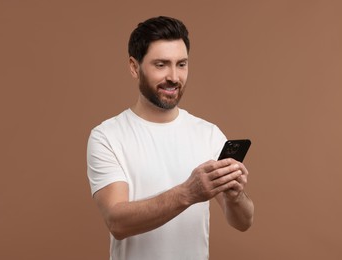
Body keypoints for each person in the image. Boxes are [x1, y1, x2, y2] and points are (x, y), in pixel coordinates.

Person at [87, 16, 254, 260]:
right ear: (135, 67)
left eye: (181, 64)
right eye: (161, 65)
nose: (174, 77)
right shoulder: (107, 136)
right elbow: (117, 222)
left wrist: (236, 196)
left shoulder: (208, 134)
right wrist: (188, 192)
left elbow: (243, 222)